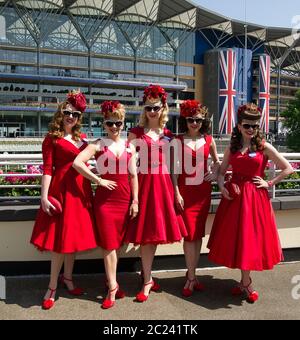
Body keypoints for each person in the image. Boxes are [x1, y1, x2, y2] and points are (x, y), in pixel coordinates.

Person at [207, 103, 294, 303]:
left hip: (255, 199)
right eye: (247, 125)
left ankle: (245, 282)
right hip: (235, 198)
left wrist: (269, 182)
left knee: (249, 239)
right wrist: (222, 187)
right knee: (237, 240)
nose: (251, 129)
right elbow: (221, 172)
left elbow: (287, 168)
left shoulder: (264, 147)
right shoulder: (233, 147)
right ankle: (243, 282)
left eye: (254, 126)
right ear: (239, 126)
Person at [30, 90, 97, 310]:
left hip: (81, 191)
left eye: (76, 114)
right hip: (62, 192)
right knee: (60, 243)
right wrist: (44, 196)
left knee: (73, 239)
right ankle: (51, 286)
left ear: (80, 118)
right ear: (61, 113)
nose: (71, 117)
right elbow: (48, 169)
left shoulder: (83, 138)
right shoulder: (52, 138)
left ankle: (67, 278)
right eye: (68, 112)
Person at [124, 85, 187, 302]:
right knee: (146, 235)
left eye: (156, 107)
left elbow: (173, 166)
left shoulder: (168, 135)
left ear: (163, 108)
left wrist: (177, 191)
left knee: (154, 232)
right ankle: (148, 279)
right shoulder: (136, 133)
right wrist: (133, 196)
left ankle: (147, 275)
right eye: (148, 107)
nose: (152, 111)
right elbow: (127, 163)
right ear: (144, 109)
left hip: (163, 186)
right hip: (144, 184)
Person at [73, 101, 138, 309]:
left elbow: (133, 176)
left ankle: (112, 282)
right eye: (110, 123)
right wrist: (98, 180)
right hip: (105, 202)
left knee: (116, 245)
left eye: (118, 123)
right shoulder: (98, 144)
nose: (114, 127)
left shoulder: (129, 145)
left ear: (123, 123)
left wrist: (135, 200)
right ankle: (112, 287)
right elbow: (77, 163)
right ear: (104, 123)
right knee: (109, 245)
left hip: (124, 198)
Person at [172, 100, 220, 297]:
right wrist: (176, 192)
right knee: (189, 235)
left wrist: (215, 175)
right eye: (191, 119)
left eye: (198, 120)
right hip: (185, 192)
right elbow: (174, 169)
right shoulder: (177, 140)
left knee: (197, 235)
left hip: (202, 192)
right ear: (185, 120)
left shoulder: (209, 140)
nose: (194, 123)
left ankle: (192, 275)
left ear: (203, 121)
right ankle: (191, 276)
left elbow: (218, 162)